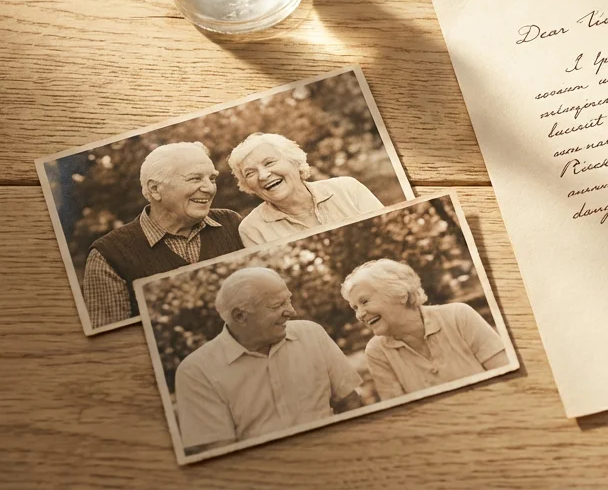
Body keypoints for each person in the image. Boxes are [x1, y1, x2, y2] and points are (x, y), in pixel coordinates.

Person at [175, 268, 362, 453]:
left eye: (288, 300)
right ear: (240, 316)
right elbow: (222, 454)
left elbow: (350, 402)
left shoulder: (311, 333)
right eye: (277, 305)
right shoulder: (196, 371)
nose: (292, 311)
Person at [81, 142, 243, 329]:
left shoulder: (231, 223)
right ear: (155, 190)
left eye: (212, 178)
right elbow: (114, 342)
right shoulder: (108, 254)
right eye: (195, 179)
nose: (209, 188)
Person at [342, 259, 509, 400]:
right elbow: (402, 414)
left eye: (364, 302)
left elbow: (506, 376)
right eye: (354, 307)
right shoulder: (377, 351)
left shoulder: (458, 316)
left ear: (400, 294)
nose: (359, 315)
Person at [229, 133, 384, 246]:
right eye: (250, 173)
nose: (263, 175)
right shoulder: (252, 229)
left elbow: (384, 233)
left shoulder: (348, 188)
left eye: (269, 163)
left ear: (295, 162)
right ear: (248, 186)